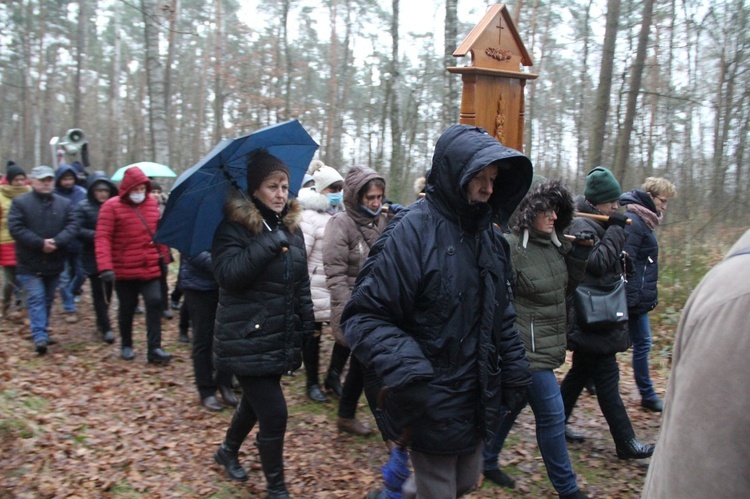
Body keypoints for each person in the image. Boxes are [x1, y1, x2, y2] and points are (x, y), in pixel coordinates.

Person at [341, 124, 533, 498]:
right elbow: (363, 315)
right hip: (428, 394)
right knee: (441, 488)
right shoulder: (411, 232)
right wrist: (409, 373)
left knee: (464, 482)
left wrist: (514, 367)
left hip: (475, 392)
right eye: (479, 176)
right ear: (454, 173)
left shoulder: (491, 239)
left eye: (493, 178)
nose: (488, 187)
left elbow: (500, 314)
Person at [211, 149, 313, 499]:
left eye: (285, 185)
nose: (281, 193)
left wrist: (306, 321)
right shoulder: (233, 229)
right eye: (273, 186)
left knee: (255, 404)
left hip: (277, 334)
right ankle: (276, 488)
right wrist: (268, 244)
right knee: (274, 413)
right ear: (255, 190)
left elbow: (299, 281)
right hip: (245, 334)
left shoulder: (290, 228)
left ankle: (227, 450)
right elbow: (227, 276)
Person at [482, 178, 588, 499]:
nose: (553, 217)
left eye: (557, 211)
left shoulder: (555, 247)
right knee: (553, 416)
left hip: (548, 343)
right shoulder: (511, 247)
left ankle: (485, 458)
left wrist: (579, 256)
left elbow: (562, 292)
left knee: (511, 406)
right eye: (547, 210)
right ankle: (568, 490)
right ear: (530, 212)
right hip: (524, 350)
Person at [642, 228, 750, 498]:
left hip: (634, 304)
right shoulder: (739, 297)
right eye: (660, 200)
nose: (663, 206)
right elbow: (702, 470)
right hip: (611, 308)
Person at [559, 166, 654, 460]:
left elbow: (607, 261)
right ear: (597, 201)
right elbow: (597, 263)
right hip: (590, 316)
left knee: (579, 374)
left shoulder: (596, 221)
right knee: (607, 379)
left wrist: (621, 256)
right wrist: (615, 229)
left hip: (597, 316)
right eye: (611, 202)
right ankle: (625, 442)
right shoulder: (580, 225)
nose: (616, 207)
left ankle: (554, 424)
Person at [322, 164, 390, 436]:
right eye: (369, 198)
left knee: (361, 367)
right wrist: (350, 310)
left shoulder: (381, 221)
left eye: (378, 197)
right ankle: (391, 434)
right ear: (355, 197)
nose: (375, 203)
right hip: (355, 310)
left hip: (379, 308)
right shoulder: (341, 224)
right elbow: (335, 274)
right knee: (372, 369)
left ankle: (346, 415)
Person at [95, 166, 172, 365]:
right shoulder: (111, 207)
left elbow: (159, 233)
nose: (138, 193)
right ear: (127, 188)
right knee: (127, 308)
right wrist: (105, 267)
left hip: (150, 266)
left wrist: (165, 256)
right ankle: (126, 344)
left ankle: (154, 347)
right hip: (124, 269)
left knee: (155, 302)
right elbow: (102, 237)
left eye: (141, 189)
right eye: (135, 189)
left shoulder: (152, 205)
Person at [8, 165, 79, 354]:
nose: (46, 183)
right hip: (28, 262)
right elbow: (16, 228)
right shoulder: (20, 203)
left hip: (55, 261)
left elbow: (72, 226)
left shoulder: (64, 204)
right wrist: (40, 243)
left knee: (47, 298)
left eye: (49, 180)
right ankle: (39, 335)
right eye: (42, 180)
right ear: (33, 182)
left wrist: (57, 242)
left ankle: (43, 330)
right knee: (36, 297)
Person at [620, 177, 677, 412]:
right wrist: (631, 297)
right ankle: (647, 394)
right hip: (632, 298)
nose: (664, 206)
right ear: (650, 197)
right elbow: (624, 260)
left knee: (614, 344)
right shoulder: (634, 221)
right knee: (642, 342)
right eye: (662, 201)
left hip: (637, 297)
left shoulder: (644, 221)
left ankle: (590, 380)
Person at [297, 161, 345, 403]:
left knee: (345, 333)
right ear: (320, 190)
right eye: (333, 188)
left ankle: (333, 377)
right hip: (314, 287)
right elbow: (301, 255)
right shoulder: (308, 217)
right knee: (312, 338)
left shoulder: (342, 216)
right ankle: (312, 383)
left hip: (338, 287)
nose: (337, 192)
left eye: (340, 187)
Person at [179, 251, 236, 411]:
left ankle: (224, 383)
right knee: (203, 338)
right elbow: (192, 252)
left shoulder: (232, 225)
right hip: (198, 287)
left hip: (226, 285)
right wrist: (222, 264)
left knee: (229, 337)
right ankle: (206, 391)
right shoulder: (194, 227)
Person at [74, 171, 118, 344]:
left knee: (108, 290)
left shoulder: (115, 205)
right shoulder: (82, 207)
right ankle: (105, 326)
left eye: (105, 190)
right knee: (98, 292)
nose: (102, 194)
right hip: (91, 255)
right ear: (92, 190)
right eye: (99, 190)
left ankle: (103, 320)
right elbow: (76, 229)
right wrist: (99, 235)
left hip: (112, 255)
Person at [54, 164, 88, 322]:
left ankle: (72, 292)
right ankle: (68, 305)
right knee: (64, 276)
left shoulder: (81, 193)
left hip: (79, 240)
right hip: (60, 241)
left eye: (70, 178)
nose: (68, 182)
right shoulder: (53, 195)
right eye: (65, 179)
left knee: (82, 273)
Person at [0, 164, 31, 319]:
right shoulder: (1, 196)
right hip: (6, 242)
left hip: (26, 241)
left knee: (26, 278)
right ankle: (4, 304)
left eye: (22, 179)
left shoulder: (31, 193)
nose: (19, 183)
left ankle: (24, 309)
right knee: (9, 281)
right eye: (16, 180)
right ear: (9, 181)